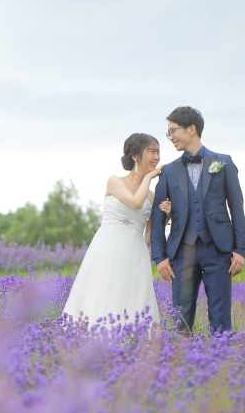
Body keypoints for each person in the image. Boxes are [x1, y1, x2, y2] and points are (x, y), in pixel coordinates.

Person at [150, 106, 245, 333]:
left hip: (219, 250)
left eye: (173, 131)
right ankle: (180, 366)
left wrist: (240, 249)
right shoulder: (169, 171)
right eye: (168, 133)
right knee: (180, 321)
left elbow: (237, 208)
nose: (170, 137)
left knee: (221, 318)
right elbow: (157, 216)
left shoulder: (223, 163)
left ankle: (223, 364)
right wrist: (159, 256)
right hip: (181, 252)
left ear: (191, 129)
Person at [62, 133, 170, 326]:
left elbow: (147, 236)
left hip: (136, 252)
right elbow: (136, 202)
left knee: (134, 298)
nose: (156, 157)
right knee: (102, 292)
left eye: (158, 152)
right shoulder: (114, 181)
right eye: (152, 151)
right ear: (136, 156)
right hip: (108, 247)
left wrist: (166, 216)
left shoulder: (153, 197)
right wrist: (150, 177)